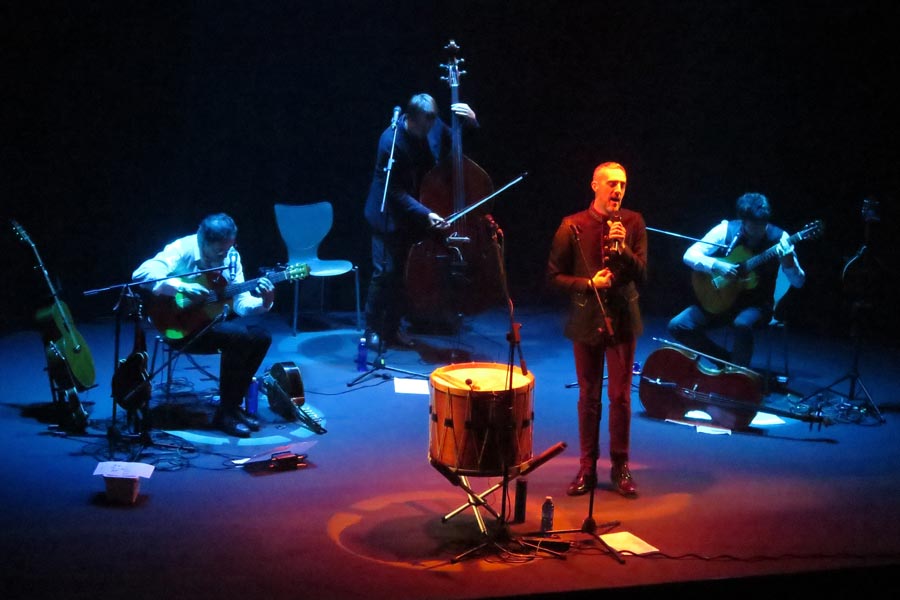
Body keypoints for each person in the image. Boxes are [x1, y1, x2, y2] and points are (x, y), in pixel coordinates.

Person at [547, 162, 648, 498]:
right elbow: (553, 277)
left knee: (620, 397)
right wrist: (587, 283)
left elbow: (643, 275)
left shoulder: (633, 223)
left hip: (623, 320)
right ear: (595, 186)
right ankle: (587, 466)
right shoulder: (572, 225)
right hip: (586, 318)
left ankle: (620, 467)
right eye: (612, 184)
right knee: (588, 397)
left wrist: (625, 252)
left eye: (623, 184)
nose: (618, 190)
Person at [132, 213, 275, 438]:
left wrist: (265, 302)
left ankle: (231, 406)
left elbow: (241, 304)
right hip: (175, 326)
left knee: (261, 337)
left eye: (228, 249)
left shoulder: (232, 257)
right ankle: (226, 413)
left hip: (209, 324)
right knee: (238, 337)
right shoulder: (182, 249)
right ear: (202, 241)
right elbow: (142, 274)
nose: (225, 255)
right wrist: (179, 286)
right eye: (219, 251)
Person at [362, 93, 477, 349]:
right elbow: (394, 192)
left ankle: (393, 328)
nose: (428, 132)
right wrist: (427, 214)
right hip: (388, 216)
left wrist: (470, 123)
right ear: (410, 118)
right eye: (423, 127)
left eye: (431, 125)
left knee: (405, 275)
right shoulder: (390, 142)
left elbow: (455, 145)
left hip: (417, 212)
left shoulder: (432, 125)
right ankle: (370, 328)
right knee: (384, 273)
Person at [667, 192, 806, 367]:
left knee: (741, 323)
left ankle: (739, 376)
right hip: (721, 300)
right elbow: (689, 254)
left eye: (762, 225)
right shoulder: (726, 230)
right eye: (753, 226)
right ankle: (725, 361)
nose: (758, 231)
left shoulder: (781, 238)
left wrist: (789, 263)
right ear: (743, 221)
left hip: (756, 305)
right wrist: (716, 265)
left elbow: (799, 282)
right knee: (678, 325)